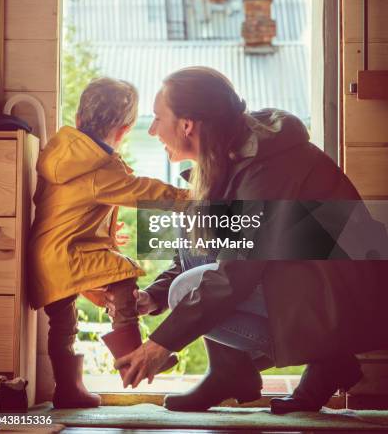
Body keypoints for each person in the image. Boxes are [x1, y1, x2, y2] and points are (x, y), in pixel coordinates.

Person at [114, 66, 388, 413]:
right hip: (303, 278)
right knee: (196, 244)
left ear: (187, 125)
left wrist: (159, 345)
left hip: (341, 296)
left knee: (186, 289)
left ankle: (325, 357)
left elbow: (234, 276)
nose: (152, 130)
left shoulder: (266, 167)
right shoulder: (226, 155)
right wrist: (152, 297)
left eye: (157, 118)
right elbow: (198, 251)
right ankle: (231, 371)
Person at [28, 77, 186, 409]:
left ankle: (67, 390)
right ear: (125, 130)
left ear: (79, 119)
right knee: (121, 273)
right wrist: (187, 197)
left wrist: (104, 235)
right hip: (70, 255)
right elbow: (142, 191)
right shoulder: (99, 165)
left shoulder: (58, 154)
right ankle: (131, 355)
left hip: (47, 255)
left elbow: (61, 208)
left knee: (63, 328)